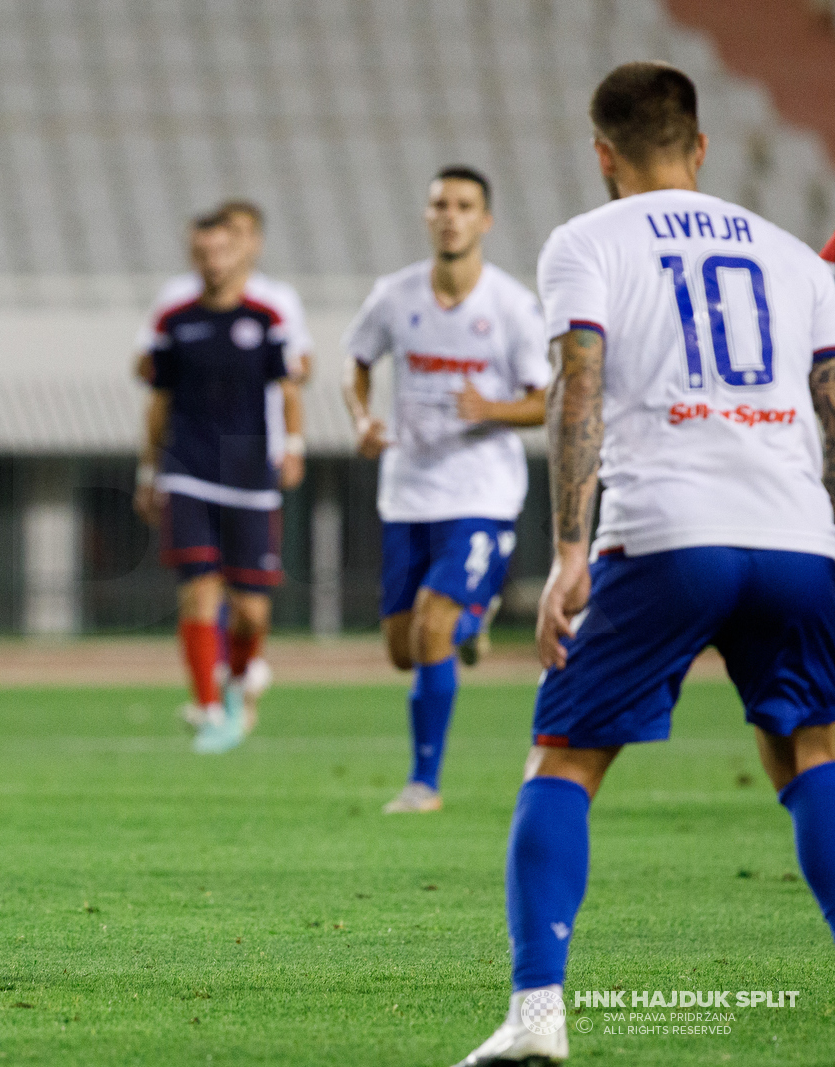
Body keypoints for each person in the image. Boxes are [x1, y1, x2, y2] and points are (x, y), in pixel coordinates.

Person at [455, 62, 835, 1066]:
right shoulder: (797, 257)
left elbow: (576, 391)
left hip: (667, 527)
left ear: (603, 156)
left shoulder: (585, 241)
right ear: (700, 146)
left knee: (564, 759)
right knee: (812, 752)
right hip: (799, 533)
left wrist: (570, 548)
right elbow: (833, 409)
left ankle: (537, 1013)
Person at [341, 168, 550, 815]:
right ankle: (472, 621)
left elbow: (547, 401)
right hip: (407, 491)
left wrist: (489, 406)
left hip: (481, 493)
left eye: (464, 206)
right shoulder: (394, 295)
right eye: (440, 204)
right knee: (405, 650)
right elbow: (356, 362)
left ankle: (423, 782)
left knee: (432, 623)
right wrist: (362, 420)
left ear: (485, 220)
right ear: (426, 216)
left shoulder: (511, 306)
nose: (450, 216)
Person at [133, 206, 308, 755]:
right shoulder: (175, 318)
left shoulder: (269, 314)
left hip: (251, 473)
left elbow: (292, 384)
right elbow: (155, 395)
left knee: (252, 609)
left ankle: (240, 675)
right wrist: (149, 468)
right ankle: (209, 706)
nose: (212, 259)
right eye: (202, 251)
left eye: (222, 249)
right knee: (199, 591)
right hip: (188, 471)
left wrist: (294, 447)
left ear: (242, 250)